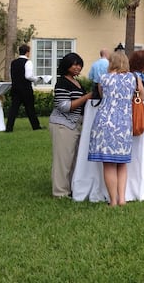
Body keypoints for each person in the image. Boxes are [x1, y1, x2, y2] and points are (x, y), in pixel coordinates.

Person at [87, 51, 144, 206]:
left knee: (108, 164)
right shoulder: (134, 78)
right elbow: (141, 97)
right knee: (122, 162)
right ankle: (122, 198)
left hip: (104, 122)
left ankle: (113, 200)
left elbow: (101, 94)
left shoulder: (104, 78)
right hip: (124, 123)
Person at [49, 52, 92, 198]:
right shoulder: (62, 82)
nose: (77, 67)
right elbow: (64, 106)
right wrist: (86, 97)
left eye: (79, 64)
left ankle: (71, 188)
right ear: (66, 66)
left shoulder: (75, 82)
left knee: (73, 159)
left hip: (74, 125)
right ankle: (60, 192)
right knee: (63, 161)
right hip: (63, 124)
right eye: (74, 64)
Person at [6, 44, 42, 132]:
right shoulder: (28, 62)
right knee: (30, 108)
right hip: (25, 89)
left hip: (15, 89)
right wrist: (37, 79)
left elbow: (12, 75)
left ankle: (9, 128)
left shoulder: (13, 62)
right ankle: (35, 126)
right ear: (27, 52)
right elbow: (28, 76)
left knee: (13, 109)